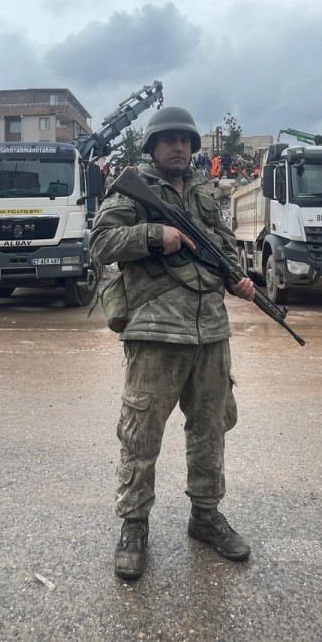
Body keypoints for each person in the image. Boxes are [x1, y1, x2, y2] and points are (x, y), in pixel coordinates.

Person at [90, 105, 257, 582]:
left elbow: (224, 246)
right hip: (156, 330)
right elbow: (101, 243)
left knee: (210, 428)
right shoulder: (134, 190)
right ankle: (134, 525)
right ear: (153, 148)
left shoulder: (205, 194)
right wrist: (153, 234)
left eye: (185, 141)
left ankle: (205, 516)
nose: (179, 147)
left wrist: (240, 280)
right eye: (169, 141)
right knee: (141, 433)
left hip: (211, 331)